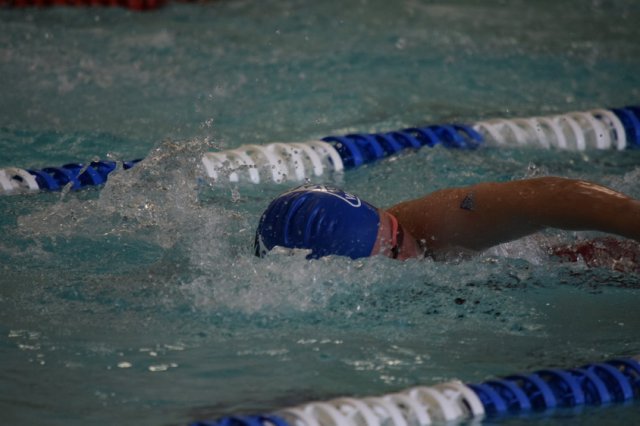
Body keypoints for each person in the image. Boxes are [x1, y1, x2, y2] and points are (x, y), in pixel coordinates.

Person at [254, 177, 640, 270]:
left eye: (398, 235)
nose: (409, 252)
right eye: (392, 251)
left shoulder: (433, 224)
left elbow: (548, 197)